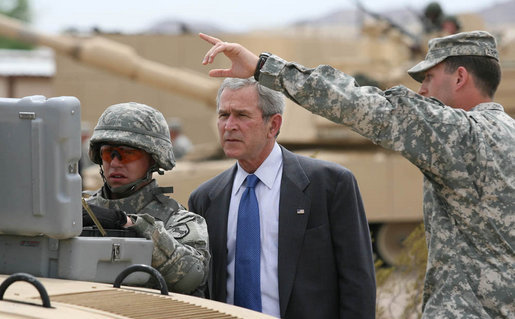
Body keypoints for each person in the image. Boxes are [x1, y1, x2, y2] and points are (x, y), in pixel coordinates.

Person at [198, 31, 514, 318]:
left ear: (459, 77)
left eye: (429, 77)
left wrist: (264, 68)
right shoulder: (508, 135)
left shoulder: (459, 134)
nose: (422, 90)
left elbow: (360, 105)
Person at [188, 77, 376, 318]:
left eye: (242, 115)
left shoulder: (330, 185)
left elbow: (357, 283)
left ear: (273, 125)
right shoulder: (205, 198)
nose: (229, 125)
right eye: (224, 115)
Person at [84, 101, 210, 296]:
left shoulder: (178, 220)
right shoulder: (81, 212)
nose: (115, 163)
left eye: (127, 154)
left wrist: (130, 224)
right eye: (108, 154)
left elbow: (191, 276)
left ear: (153, 158)